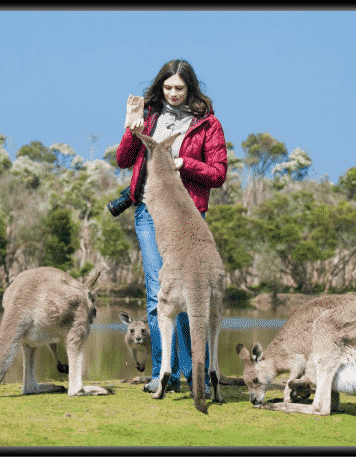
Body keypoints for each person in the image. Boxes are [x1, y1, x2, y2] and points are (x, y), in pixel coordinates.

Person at [116, 59, 227, 394]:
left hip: (188, 212)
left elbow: (218, 174)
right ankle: (163, 372)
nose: (174, 94)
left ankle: (195, 374)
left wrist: (184, 163)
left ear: (190, 88)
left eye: (180, 88)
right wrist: (131, 129)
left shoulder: (207, 124)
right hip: (150, 211)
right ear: (160, 87)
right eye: (168, 88)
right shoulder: (150, 117)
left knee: (194, 292)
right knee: (158, 290)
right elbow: (123, 160)